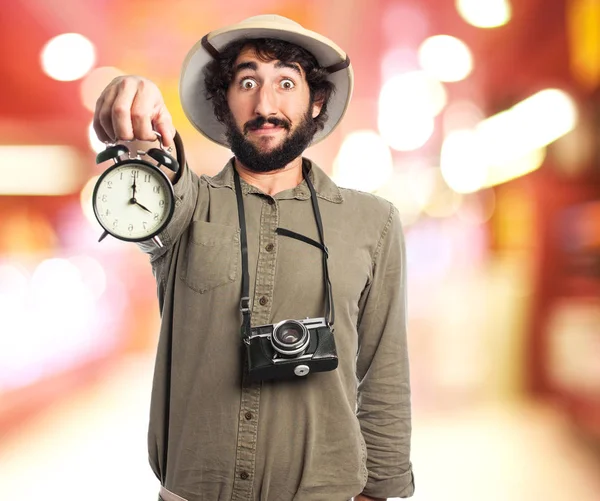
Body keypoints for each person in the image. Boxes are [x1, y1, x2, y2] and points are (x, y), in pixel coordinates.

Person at [93, 14, 414, 501]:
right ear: (224, 103)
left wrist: (378, 492)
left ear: (317, 100)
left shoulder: (375, 223)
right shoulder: (186, 207)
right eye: (247, 83)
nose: (266, 105)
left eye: (287, 82)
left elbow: (385, 374)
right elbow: (148, 182)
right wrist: (133, 102)